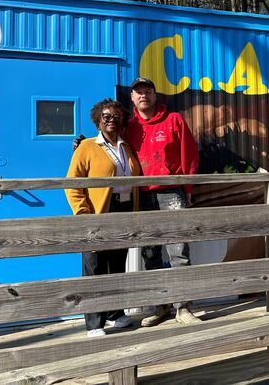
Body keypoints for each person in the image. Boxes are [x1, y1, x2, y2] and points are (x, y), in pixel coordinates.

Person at [126, 77, 201, 326]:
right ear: (132, 98)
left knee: (178, 250)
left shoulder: (174, 120)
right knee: (150, 253)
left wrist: (187, 188)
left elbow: (189, 155)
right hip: (142, 195)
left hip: (171, 192)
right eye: (138, 93)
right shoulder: (128, 126)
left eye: (148, 91)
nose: (143, 96)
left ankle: (183, 308)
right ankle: (162, 306)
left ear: (155, 96)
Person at [65, 99, 142, 337]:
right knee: (95, 267)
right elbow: (73, 184)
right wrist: (83, 214)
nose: (112, 120)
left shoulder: (126, 147)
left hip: (125, 211)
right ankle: (94, 323)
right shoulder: (87, 146)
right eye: (107, 116)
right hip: (98, 213)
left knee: (117, 265)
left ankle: (115, 313)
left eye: (116, 116)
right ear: (98, 120)